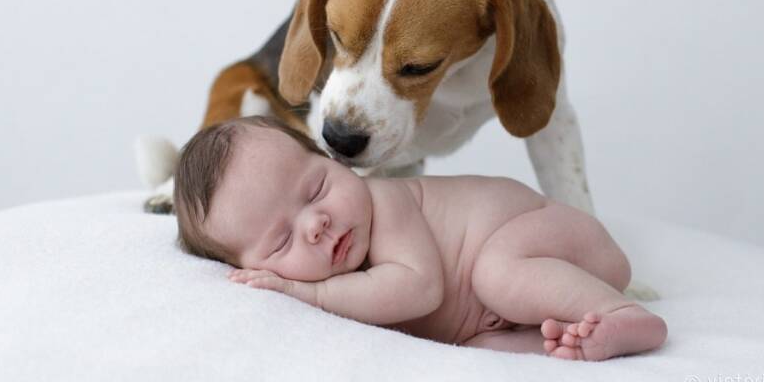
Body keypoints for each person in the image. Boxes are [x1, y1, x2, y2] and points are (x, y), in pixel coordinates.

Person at [174, 115, 666, 361]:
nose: (316, 223)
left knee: (497, 272)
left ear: (333, 160)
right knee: (491, 352)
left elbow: (419, 289)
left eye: (317, 188)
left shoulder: (385, 204)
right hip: (504, 312)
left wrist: (310, 291)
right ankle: (583, 338)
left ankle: (624, 315)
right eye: (282, 243)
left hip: (551, 239)